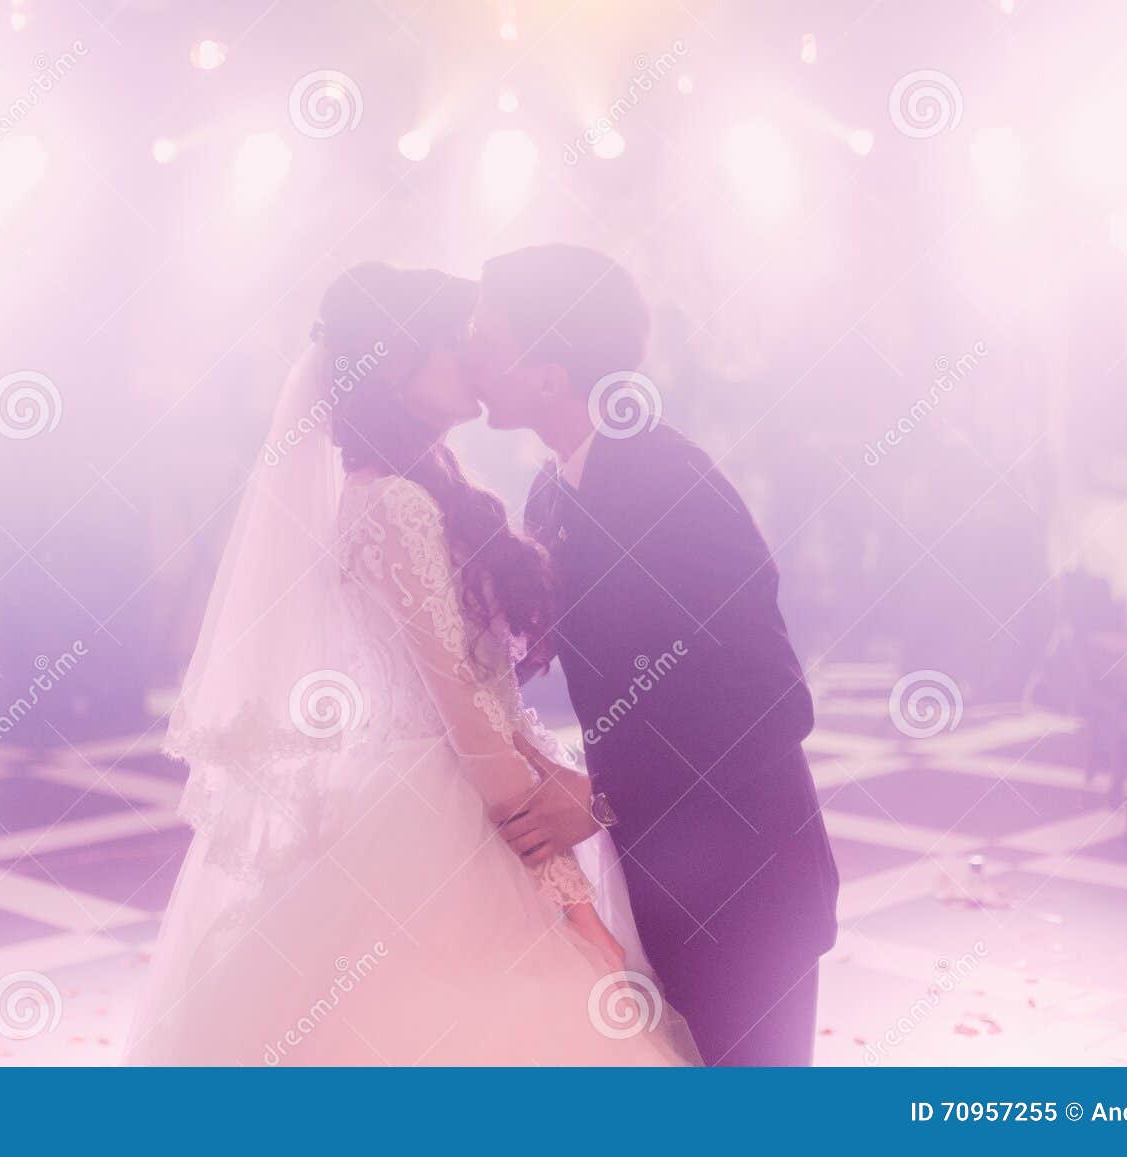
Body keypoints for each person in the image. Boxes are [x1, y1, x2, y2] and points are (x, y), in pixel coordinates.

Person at [125, 263, 691, 1065]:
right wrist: (572, 904)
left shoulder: (421, 484)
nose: (472, 364)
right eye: (452, 347)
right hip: (448, 805)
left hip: (439, 783)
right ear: (394, 365)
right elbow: (465, 711)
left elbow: (480, 702)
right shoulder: (393, 502)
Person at [467, 244, 840, 1066]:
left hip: (748, 887)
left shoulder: (675, 483)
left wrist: (603, 796)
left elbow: (776, 700)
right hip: (657, 874)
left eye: (487, 341)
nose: (468, 357)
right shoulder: (552, 489)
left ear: (548, 373)